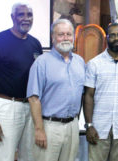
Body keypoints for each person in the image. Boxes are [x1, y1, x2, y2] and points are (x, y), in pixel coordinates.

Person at [0, 3, 42, 161]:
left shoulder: (35, 44)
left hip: (30, 108)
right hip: (6, 107)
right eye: (21, 14)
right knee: (3, 157)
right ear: (12, 17)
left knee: (29, 157)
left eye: (29, 15)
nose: (26, 18)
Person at [27, 19, 85, 161]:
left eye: (69, 34)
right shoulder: (41, 62)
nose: (65, 38)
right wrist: (39, 129)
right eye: (61, 34)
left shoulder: (80, 62)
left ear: (74, 37)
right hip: (49, 126)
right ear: (53, 38)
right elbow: (33, 98)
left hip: (72, 126)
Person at [83, 22, 118, 161]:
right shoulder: (94, 64)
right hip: (98, 129)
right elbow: (88, 96)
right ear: (106, 38)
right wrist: (89, 125)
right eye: (113, 35)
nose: (116, 38)